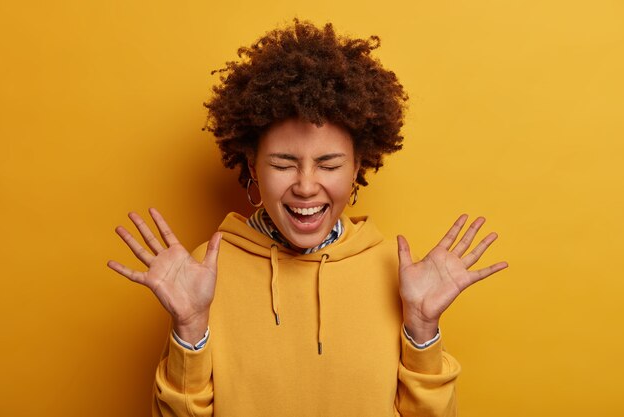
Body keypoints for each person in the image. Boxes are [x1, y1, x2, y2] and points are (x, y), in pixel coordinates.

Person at [107, 19, 508, 417]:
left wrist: (423, 331)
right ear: (252, 165)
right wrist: (189, 332)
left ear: (357, 168)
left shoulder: (398, 274)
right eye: (284, 163)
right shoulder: (205, 272)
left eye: (328, 164)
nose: (305, 185)